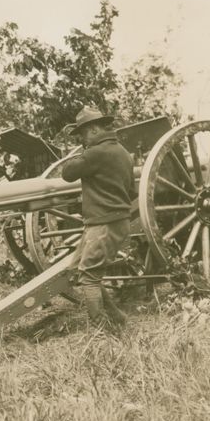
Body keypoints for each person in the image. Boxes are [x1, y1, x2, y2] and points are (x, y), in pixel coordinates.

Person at [60, 107, 136, 330]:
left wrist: (76, 153)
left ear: (93, 130)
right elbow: (131, 191)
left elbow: (67, 174)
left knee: (89, 277)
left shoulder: (95, 153)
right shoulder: (123, 152)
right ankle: (118, 318)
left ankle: (102, 330)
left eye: (82, 135)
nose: (82, 140)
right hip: (111, 222)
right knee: (81, 270)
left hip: (103, 224)